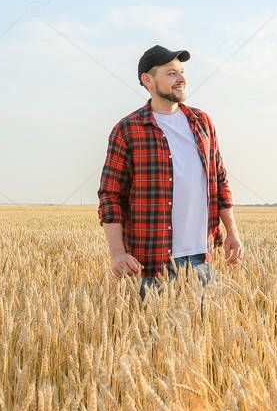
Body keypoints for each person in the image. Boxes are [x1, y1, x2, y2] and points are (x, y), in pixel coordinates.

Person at [97, 44, 243, 309]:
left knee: (202, 339)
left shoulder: (202, 122)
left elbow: (220, 180)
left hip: (201, 259)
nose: (181, 79)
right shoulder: (128, 129)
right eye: (171, 73)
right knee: (153, 344)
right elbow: (110, 195)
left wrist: (232, 232)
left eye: (182, 72)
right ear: (148, 80)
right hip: (151, 262)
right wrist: (117, 253)